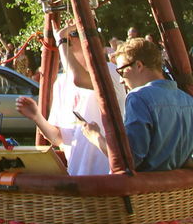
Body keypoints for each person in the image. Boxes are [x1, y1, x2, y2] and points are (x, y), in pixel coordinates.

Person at [85, 38, 193, 172]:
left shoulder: (138, 97)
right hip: (182, 191)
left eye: (121, 71)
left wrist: (96, 137)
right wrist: (175, 160)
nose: (121, 80)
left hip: (146, 191)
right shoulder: (190, 102)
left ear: (139, 65)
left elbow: (130, 161)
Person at [16, 23, 125, 175]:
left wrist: (60, 40)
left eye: (73, 34)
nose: (68, 39)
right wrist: (36, 117)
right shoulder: (61, 82)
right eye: (67, 36)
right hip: (77, 176)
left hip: (108, 175)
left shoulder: (110, 70)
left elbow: (79, 79)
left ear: (95, 42)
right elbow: (59, 138)